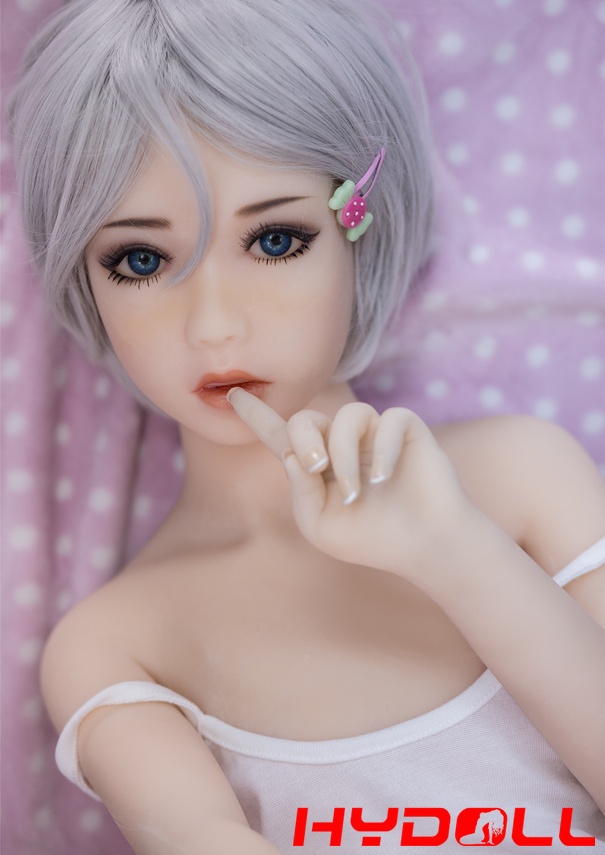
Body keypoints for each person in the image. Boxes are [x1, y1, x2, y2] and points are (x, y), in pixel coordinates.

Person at [8, 0, 604, 852]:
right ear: (85, 280)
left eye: (276, 240)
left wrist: (457, 552)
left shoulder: (522, 478)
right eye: (141, 259)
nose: (214, 325)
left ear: (358, 227)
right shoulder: (118, 643)